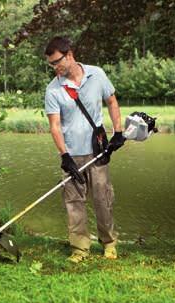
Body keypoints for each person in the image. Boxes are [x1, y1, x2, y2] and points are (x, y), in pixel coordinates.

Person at [44, 36, 125, 263]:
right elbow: (55, 126)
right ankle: (80, 247)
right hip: (72, 154)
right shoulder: (53, 90)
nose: (54, 68)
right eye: (50, 64)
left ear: (69, 55)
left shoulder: (96, 74)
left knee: (103, 198)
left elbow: (112, 102)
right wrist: (64, 156)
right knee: (74, 202)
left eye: (57, 62)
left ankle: (108, 243)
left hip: (97, 150)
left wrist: (117, 132)